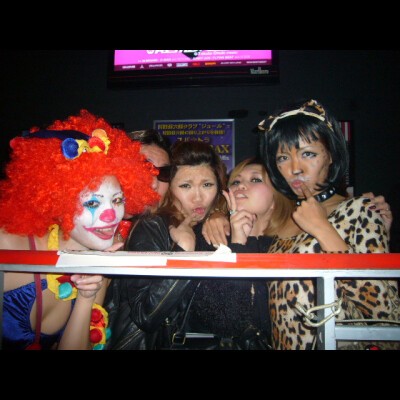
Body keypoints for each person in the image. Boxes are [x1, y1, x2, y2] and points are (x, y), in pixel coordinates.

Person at [0, 109, 158, 350]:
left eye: (117, 200)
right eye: (92, 203)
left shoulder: (101, 263)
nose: (110, 216)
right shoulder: (9, 246)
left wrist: (86, 296)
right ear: (57, 200)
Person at [259, 98, 400, 349]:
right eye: (282, 158)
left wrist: (324, 230)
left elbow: (385, 313)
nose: (295, 169)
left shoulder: (360, 210)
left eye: (308, 154)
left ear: (331, 155)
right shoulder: (282, 220)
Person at [106, 141, 271, 350]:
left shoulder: (212, 226)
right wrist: (183, 251)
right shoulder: (153, 227)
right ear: (170, 189)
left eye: (207, 185)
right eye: (186, 186)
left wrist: (219, 216)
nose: (198, 197)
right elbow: (145, 315)